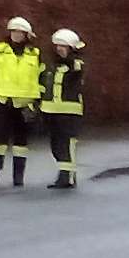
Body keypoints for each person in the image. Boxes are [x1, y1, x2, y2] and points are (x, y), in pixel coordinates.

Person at [0, 16, 43, 185]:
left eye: (20, 32)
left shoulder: (35, 54)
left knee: (21, 143)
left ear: (27, 35)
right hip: (2, 100)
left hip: (25, 103)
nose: (17, 35)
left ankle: (18, 176)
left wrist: (37, 100)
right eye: (14, 32)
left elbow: (42, 77)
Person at [40, 27, 87, 188]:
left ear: (71, 49)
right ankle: (63, 173)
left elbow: (76, 69)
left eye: (64, 46)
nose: (59, 49)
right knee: (56, 145)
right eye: (58, 46)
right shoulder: (50, 66)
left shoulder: (76, 65)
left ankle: (69, 176)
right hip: (50, 110)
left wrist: (71, 57)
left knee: (67, 144)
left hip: (69, 112)